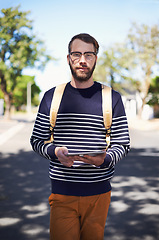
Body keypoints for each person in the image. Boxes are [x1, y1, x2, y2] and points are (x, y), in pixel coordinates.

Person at [30, 33, 130, 240]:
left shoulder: (112, 97)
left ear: (95, 58)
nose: (82, 60)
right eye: (76, 54)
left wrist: (106, 158)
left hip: (99, 195)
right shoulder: (51, 97)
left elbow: (122, 143)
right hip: (62, 193)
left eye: (88, 54)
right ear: (68, 59)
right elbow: (37, 140)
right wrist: (55, 152)